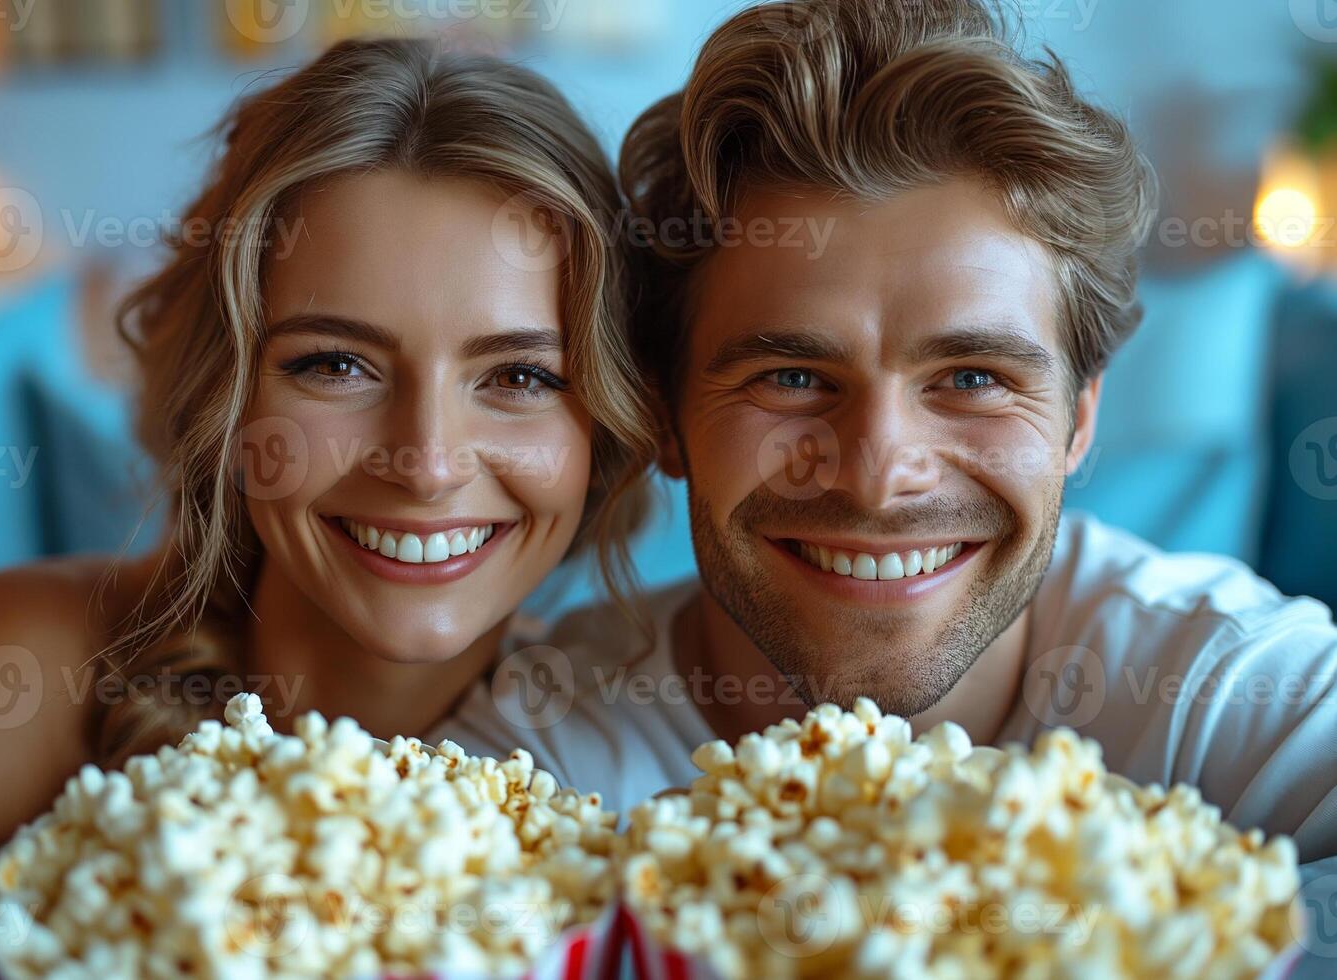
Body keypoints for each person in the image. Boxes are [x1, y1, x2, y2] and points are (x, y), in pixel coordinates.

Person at [436, 0, 1337, 865]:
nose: (877, 476)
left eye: (974, 379)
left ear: (1080, 417)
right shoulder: (525, 764)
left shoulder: (1233, 692)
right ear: (665, 413)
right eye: (791, 378)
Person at [0, 38, 656, 860]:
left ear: (608, 422)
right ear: (226, 395)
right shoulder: (25, 669)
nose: (426, 464)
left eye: (522, 377)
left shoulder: (643, 762)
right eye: (337, 365)